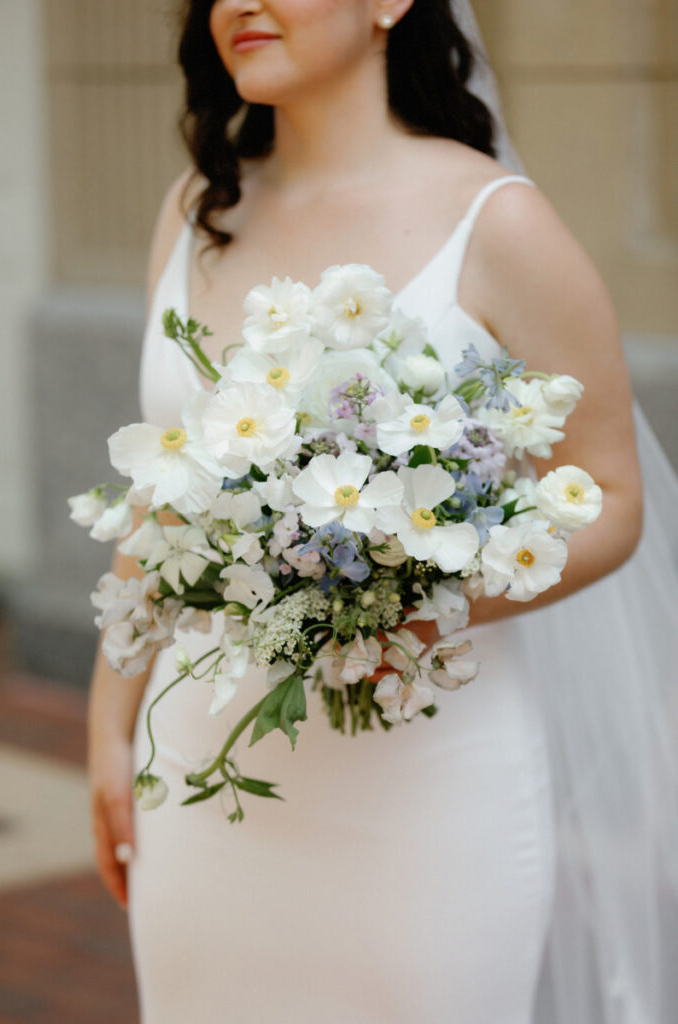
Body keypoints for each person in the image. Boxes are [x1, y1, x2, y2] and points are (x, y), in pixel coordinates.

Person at [87, 2, 678, 1021]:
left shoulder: (494, 221)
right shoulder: (196, 207)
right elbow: (160, 505)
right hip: (199, 767)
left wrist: (409, 600)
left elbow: (611, 498)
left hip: (426, 786)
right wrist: (108, 727)